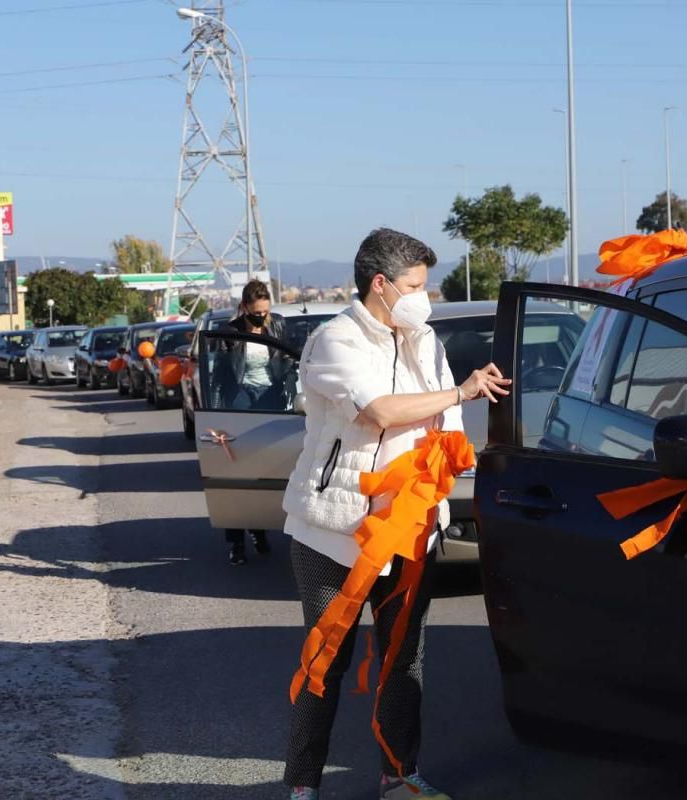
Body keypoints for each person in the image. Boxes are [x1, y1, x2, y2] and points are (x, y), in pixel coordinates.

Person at [281, 228, 511, 800]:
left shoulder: (425, 340)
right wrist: (460, 393)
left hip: (409, 528)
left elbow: (442, 431)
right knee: (325, 659)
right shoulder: (336, 341)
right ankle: (303, 786)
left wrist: (453, 468)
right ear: (380, 285)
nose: (422, 297)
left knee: (405, 660)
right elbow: (380, 411)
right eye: (414, 285)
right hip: (334, 531)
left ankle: (400, 774)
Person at [216, 279, 293, 566]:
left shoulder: (278, 326)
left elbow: (288, 361)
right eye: (255, 313)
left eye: (265, 312)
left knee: (266, 472)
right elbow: (221, 375)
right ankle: (236, 541)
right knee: (236, 473)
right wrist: (219, 413)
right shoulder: (229, 333)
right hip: (241, 402)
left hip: (271, 400)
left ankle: (260, 529)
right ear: (244, 307)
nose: (261, 318)